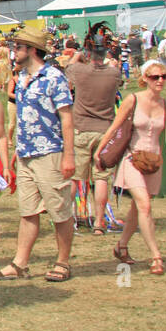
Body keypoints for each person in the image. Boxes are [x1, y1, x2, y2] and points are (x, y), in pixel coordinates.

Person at [0, 29, 76, 282]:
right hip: (26, 154)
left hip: (51, 152)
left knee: (59, 210)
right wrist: (16, 151)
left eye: (18, 47)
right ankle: (20, 263)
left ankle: (63, 262)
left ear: (31, 49)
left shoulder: (54, 77)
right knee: (27, 211)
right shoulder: (20, 78)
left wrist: (69, 156)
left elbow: (66, 118)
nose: (14, 51)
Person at [99, 59, 166, 276]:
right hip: (132, 159)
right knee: (145, 206)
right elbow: (115, 126)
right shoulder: (133, 100)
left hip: (153, 162)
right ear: (145, 79)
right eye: (155, 77)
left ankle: (121, 246)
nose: (160, 81)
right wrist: (99, 150)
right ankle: (156, 257)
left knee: (137, 209)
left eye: (163, 77)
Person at [66, 41, 125, 235]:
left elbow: (69, 65)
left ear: (89, 53)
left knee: (75, 179)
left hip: (81, 129)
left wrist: (79, 56)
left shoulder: (80, 71)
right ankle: (99, 222)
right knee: (101, 178)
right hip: (105, 130)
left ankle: (69, 221)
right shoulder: (113, 73)